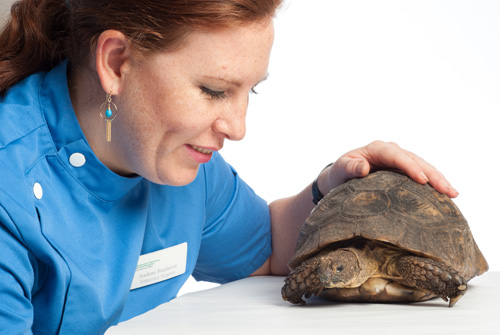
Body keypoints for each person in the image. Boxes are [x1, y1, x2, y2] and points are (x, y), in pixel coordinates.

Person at [0, 0, 458, 334]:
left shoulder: (179, 167)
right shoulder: (10, 195)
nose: (237, 129)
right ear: (116, 63)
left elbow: (268, 249)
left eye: (250, 91)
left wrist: (334, 189)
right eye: (214, 90)